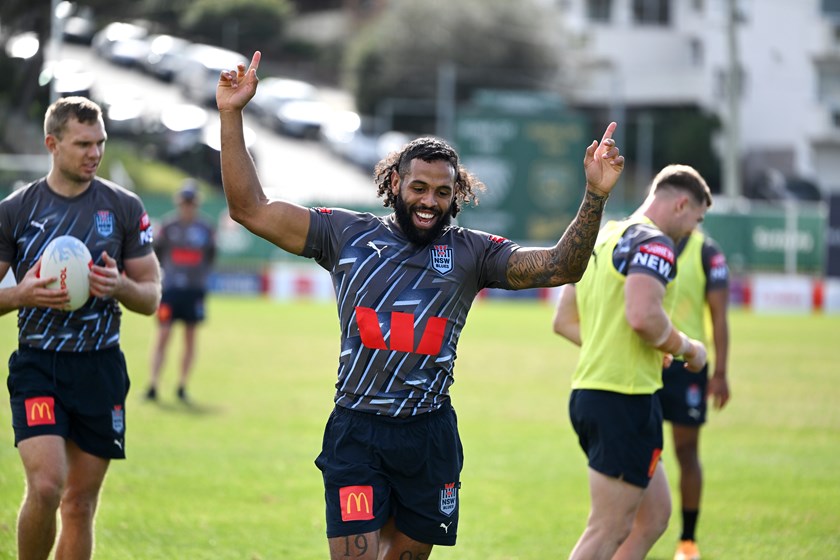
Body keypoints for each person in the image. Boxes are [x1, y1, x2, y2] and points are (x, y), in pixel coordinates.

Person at [216, 51, 624, 559]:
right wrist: (231, 114)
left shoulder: (474, 253)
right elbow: (249, 208)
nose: (429, 200)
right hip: (357, 432)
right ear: (393, 185)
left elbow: (561, 267)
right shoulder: (345, 235)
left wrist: (595, 195)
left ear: (457, 197)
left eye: (442, 192)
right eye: (418, 188)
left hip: (428, 437)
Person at [0, 96, 160, 559]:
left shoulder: (123, 207)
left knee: (79, 503)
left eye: (101, 143)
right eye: (83, 143)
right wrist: (21, 295)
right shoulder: (15, 210)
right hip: (38, 364)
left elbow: (151, 295)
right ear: (52, 144)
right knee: (48, 485)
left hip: (100, 367)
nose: (95, 153)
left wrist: (120, 285)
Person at [553, 164, 713, 560]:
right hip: (623, 400)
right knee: (607, 529)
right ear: (681, 204)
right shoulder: (655, 243)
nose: (693, 230)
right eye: (697, 218)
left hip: (598, 394)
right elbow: (643, 316)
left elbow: (564, 321)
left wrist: (624, 348)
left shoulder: (603, 237)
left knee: (654, 516)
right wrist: (688, 349)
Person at [658, 227, 730, 560]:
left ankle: (688, 541)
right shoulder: (645, 241)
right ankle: (627, 531)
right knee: (641, 453)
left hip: (689, 366)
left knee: (686, 453)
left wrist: (720, 374)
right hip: (648, 361)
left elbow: (719, 316)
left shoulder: (707, 251)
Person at [146, 179, 217, 403]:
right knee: (163, 335)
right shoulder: (168, 227)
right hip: (171, 290)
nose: (187, 206)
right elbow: (156, 253)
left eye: (191, 202)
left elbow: (210, 256)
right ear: (179, 202)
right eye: (184, 201)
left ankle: (182, 385)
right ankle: (154, 384)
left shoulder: (205, 229)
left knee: (190, 338)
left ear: (196, 203)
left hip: (194, 292)